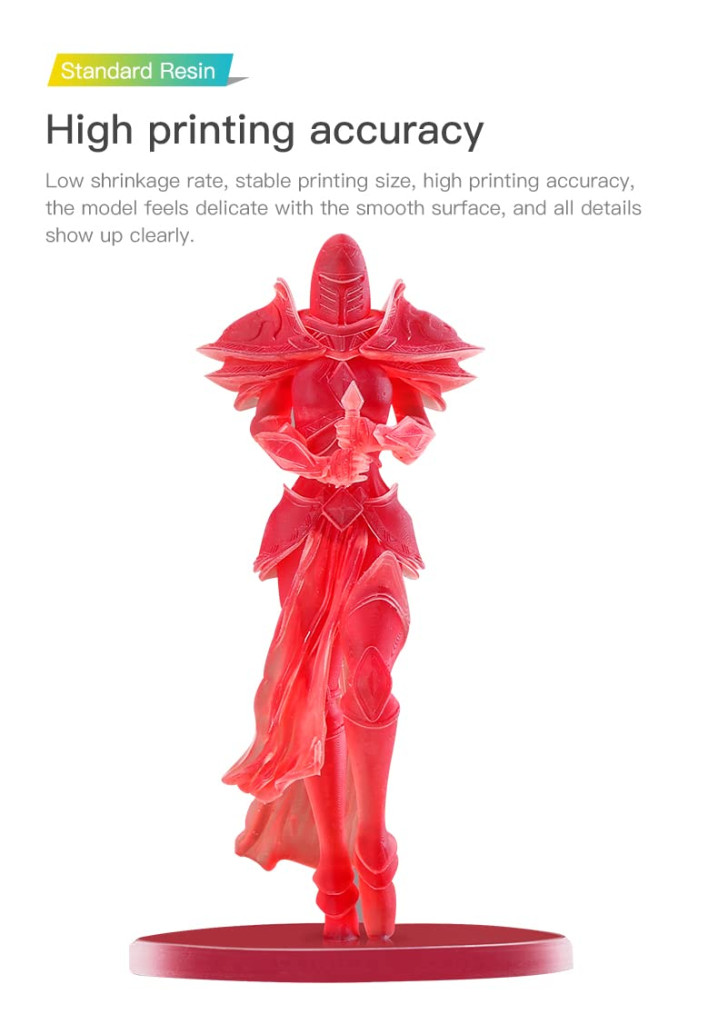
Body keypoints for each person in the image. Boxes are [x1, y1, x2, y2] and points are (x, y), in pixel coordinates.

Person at [201, 235, 479, 939]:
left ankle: (372, 847)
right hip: (307, 529)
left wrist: (385, 442)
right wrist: (314, 459)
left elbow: (418, 429)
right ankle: (333, 875)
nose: (344, 295)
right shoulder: (287, 350)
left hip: (376, 524)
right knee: (316, 694)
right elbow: (268, 428)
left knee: (371, 675)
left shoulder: (393, 347)